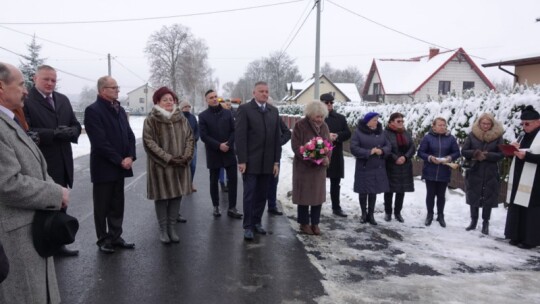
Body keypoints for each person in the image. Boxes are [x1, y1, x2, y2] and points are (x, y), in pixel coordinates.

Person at [0, 62, 69, 304]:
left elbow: (35, 166)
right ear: (1, 87)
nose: (25, 90)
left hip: (31, 232)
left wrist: (54, 187)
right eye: (20, 85)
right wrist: (54, 193)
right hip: (15, 239)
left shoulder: (9, 120)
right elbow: (6, 183)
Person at [23, 65, 82, 256]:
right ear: (35, 78)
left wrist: (72, 131)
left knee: (61, 203)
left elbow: (75, 124)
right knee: (44, 207)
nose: (50, 83)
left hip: (64, 161)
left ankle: (59, 244)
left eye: (53, 80)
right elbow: (26, 131)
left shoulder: (62, 99)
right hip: (42, 162)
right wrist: (53, 134)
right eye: (46, 79)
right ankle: (42, 247)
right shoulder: (26, 101)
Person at [84, 76, 137, 254]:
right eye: (113, 88)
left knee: (117, 204)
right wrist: (119, 159)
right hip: (104, 166)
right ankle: (103, 239)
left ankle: (115, 236)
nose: (117, 90)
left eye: (117, 87)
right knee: (102, 205)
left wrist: (130, 155)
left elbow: (129, 135)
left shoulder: (119, 109)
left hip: (121, 166)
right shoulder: (93, 110)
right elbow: (100, 142)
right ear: (102, 90)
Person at [143, 87, 194, 244]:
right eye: (165, 99)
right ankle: (163, 230)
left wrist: (186, 156)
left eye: (171, 99)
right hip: (160, 168)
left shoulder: (182, 119)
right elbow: (149, 142)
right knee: (161, 198)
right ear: (158, 101)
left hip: (180, 165)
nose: (168, 102)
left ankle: (172, 228)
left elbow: (190, 138)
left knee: (176, 196)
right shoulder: (151, 119)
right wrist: (167, 158)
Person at [236, 81, 281, 241]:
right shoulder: (245, 109)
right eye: (261, 91)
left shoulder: (273, 111)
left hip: (268, 162)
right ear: (253, 93)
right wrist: (242, 160)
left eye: (266, 91)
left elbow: (277, 138)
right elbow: (240, 137)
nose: (264, 94)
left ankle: (256, 222)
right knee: (250, 194)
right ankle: (247, 226)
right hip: (250, 162)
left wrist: (276, 162)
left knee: (262, 194)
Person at [198, 89, 242, 219]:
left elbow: (234, 130)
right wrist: (218, 145)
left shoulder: (227, 113)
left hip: (228, 152)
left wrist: (228, 144)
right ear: (206, 100)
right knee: (213, 180)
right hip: (213, 153)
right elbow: (204, 136)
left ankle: (232, 207)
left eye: (215, 96)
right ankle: (216, 206)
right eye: (211, 97)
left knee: (233, 180)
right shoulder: (203, 116)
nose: (214, 99)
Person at [291, 101, 331, 235]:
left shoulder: (324, 126)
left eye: (321, 117)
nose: (319, 120)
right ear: (310, 115)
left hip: (319, 169)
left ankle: (315, 223)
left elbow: (328, 145)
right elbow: (296, 146)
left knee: (317, 197)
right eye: (317, 117)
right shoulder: (300, 125)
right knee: (304, 196)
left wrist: (326, 157)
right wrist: (310, 157)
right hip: (304, 167)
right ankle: (304, 223)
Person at [461, 113, 504, 235]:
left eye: (488, 124)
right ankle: (473, 221)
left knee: (488, 197)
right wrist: (475, 153)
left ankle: (486, 223)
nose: (485, 126)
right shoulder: (472, 135)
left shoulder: (498, 137)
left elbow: (501, 154)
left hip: (490, 171)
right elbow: (464, 151)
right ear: (479, 123)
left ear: (492, 124)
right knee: (473, 195)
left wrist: (488, 155)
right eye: (483, 123)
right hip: (475, 170)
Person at [505, 105, 540, 249]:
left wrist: (527, 156)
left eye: (527, 123)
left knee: (531, 210)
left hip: (536, 179)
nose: (524, 126)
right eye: (522, 123)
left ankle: (529, 239)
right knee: (517, 204)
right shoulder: (523, 135)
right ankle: (515, 235)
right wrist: (513, 149)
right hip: (519, 175)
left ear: (538, 121)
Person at [417, 117, 460, 227]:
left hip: (444, 170)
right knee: (430, 194)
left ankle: (440, 215)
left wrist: (449, 158)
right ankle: (429, 214)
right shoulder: (427, 138)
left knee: (441, 195)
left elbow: (456, 152)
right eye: (439, 125)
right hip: (430, 170)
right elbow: (421, 152)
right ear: (434, 126)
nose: (442, 127)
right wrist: (430, 158)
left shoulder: (451, 138)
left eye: (444, 125)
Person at [350, 112, 391, 225]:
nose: (376, 122)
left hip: (377, 167)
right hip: (364, 166)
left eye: (377, 120)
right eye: (374, 120)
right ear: (367, 121)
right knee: (363, 191)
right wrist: (369, 152)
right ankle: (364, 214)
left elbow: (388, 146)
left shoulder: (381, 132)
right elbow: (353, 148)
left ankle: (371, 215)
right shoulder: (358, 132)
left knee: (373, 191)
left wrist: (382, 151)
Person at [321, 93, 351, 217]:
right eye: (326, 102)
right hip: (319, 153)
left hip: (336, 153)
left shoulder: (340, 118)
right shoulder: (317, 117)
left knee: (335, 182)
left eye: (331, 102)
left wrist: (337, 136)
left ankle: (336, 207)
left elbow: (348, 133)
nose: (329, 105)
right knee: (318, 181)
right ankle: (315, 205)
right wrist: (326, 138)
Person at [383, 113, 415, 223]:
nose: (401, 123)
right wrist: (395, 158)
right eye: (398, 121)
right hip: (391, 165)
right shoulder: (386, 133)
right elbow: (386, 148)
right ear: (391, 122)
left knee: (401, 190)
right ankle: (388, 212)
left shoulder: (406, 133)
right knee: (389, 190)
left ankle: (398, 212)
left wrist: (405, 157)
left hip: (404, 166)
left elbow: (412, 147)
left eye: (402, 121)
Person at [266, 97, 291, 216]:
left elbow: (287, 132)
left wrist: (279, 142)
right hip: (258, 156)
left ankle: (272, 205)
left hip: (274, 156)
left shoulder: (276, 118)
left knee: (273, 181)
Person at [179, 100, 199, 192]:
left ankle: (190, 183)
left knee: (193, 165)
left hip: (193, 145)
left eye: (188, 106)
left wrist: (195, 138)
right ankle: (182, 184)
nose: (187, 108)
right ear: (181, 108)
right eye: (185, 107)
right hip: (181, 145)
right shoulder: (178, 118)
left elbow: (197, 130)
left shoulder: (193, 117)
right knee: (182, 165)